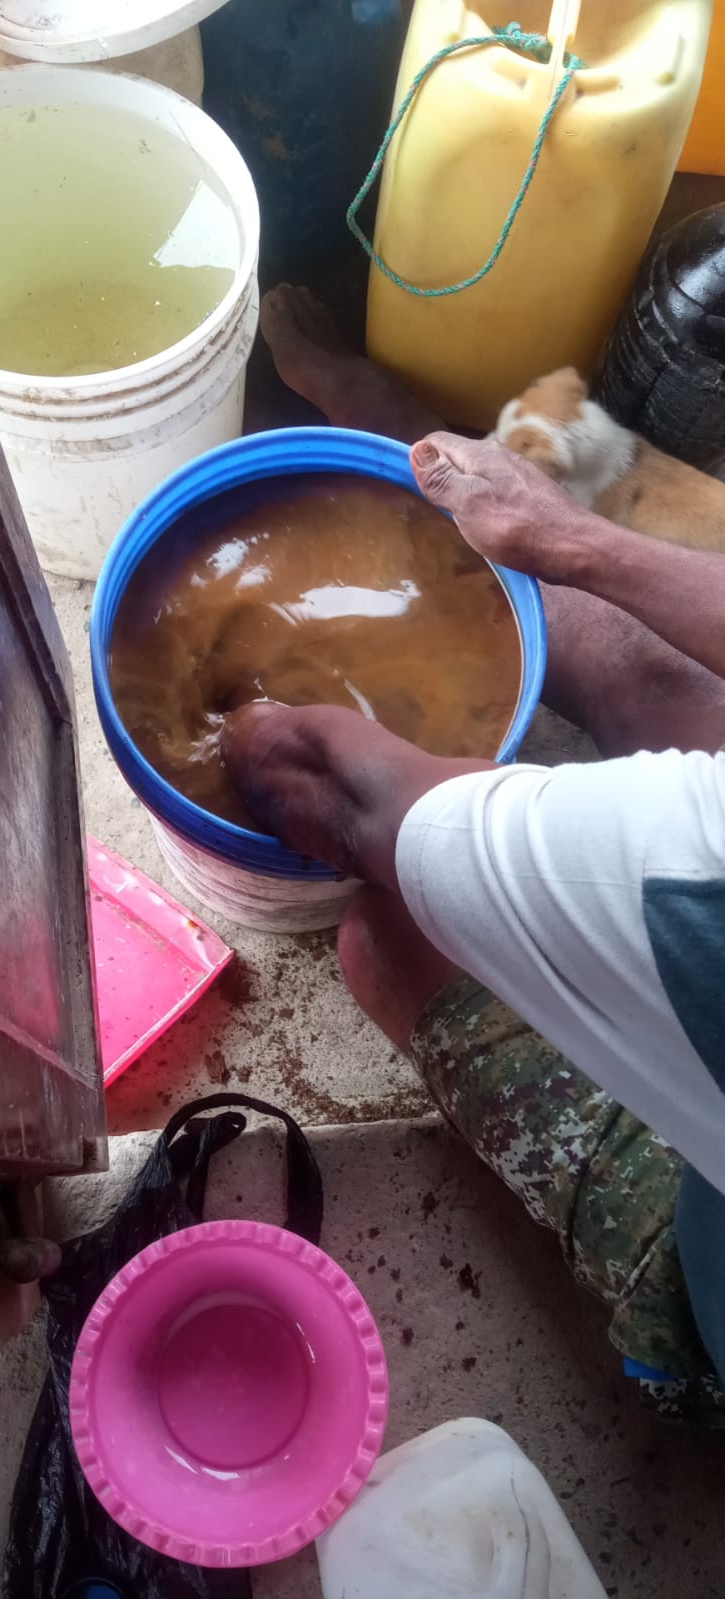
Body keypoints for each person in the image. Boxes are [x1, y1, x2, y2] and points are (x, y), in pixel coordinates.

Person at [222, 287, 725, 1423]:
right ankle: (430, 463)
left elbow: (330, 787)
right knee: (647, 668)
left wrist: (230, 709)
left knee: (381, 932)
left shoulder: (692, 886)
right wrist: (572, 543)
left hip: (708, 1291)